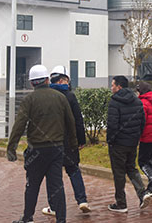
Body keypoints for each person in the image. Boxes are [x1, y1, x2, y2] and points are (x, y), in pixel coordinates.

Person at [8, 65, 78, 223]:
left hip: (36, 150)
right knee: (57, 186)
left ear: (32, 83)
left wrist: (11, 147)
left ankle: (27, 218)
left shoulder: (29, 100)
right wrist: (73, 144)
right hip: (56, 149)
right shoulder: (60, 98)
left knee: (32, 185)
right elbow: (70, 122)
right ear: (47, 80)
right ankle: (61, 219)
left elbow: (19, 125)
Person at [42, 65, 91, 217]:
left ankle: (53, 207)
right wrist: (81, 140)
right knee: (74, 170)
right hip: (69, 142)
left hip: (51, 142)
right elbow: (78, 120)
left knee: (52, 176)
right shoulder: (70, 96)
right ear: (63, 80)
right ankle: (82, 200)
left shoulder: (47, 96)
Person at [106, 75, 152, 213]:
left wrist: (110, 140)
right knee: (131, 168)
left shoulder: (114, 101)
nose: (111, 88)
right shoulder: (137, 100)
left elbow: (112, 124)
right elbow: (142, 121)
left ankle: (121, 204)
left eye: (113, 85)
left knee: (119, 173)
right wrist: (136, 137)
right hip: (132, 142)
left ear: (119, 86)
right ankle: (142, 193)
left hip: (118, 144)